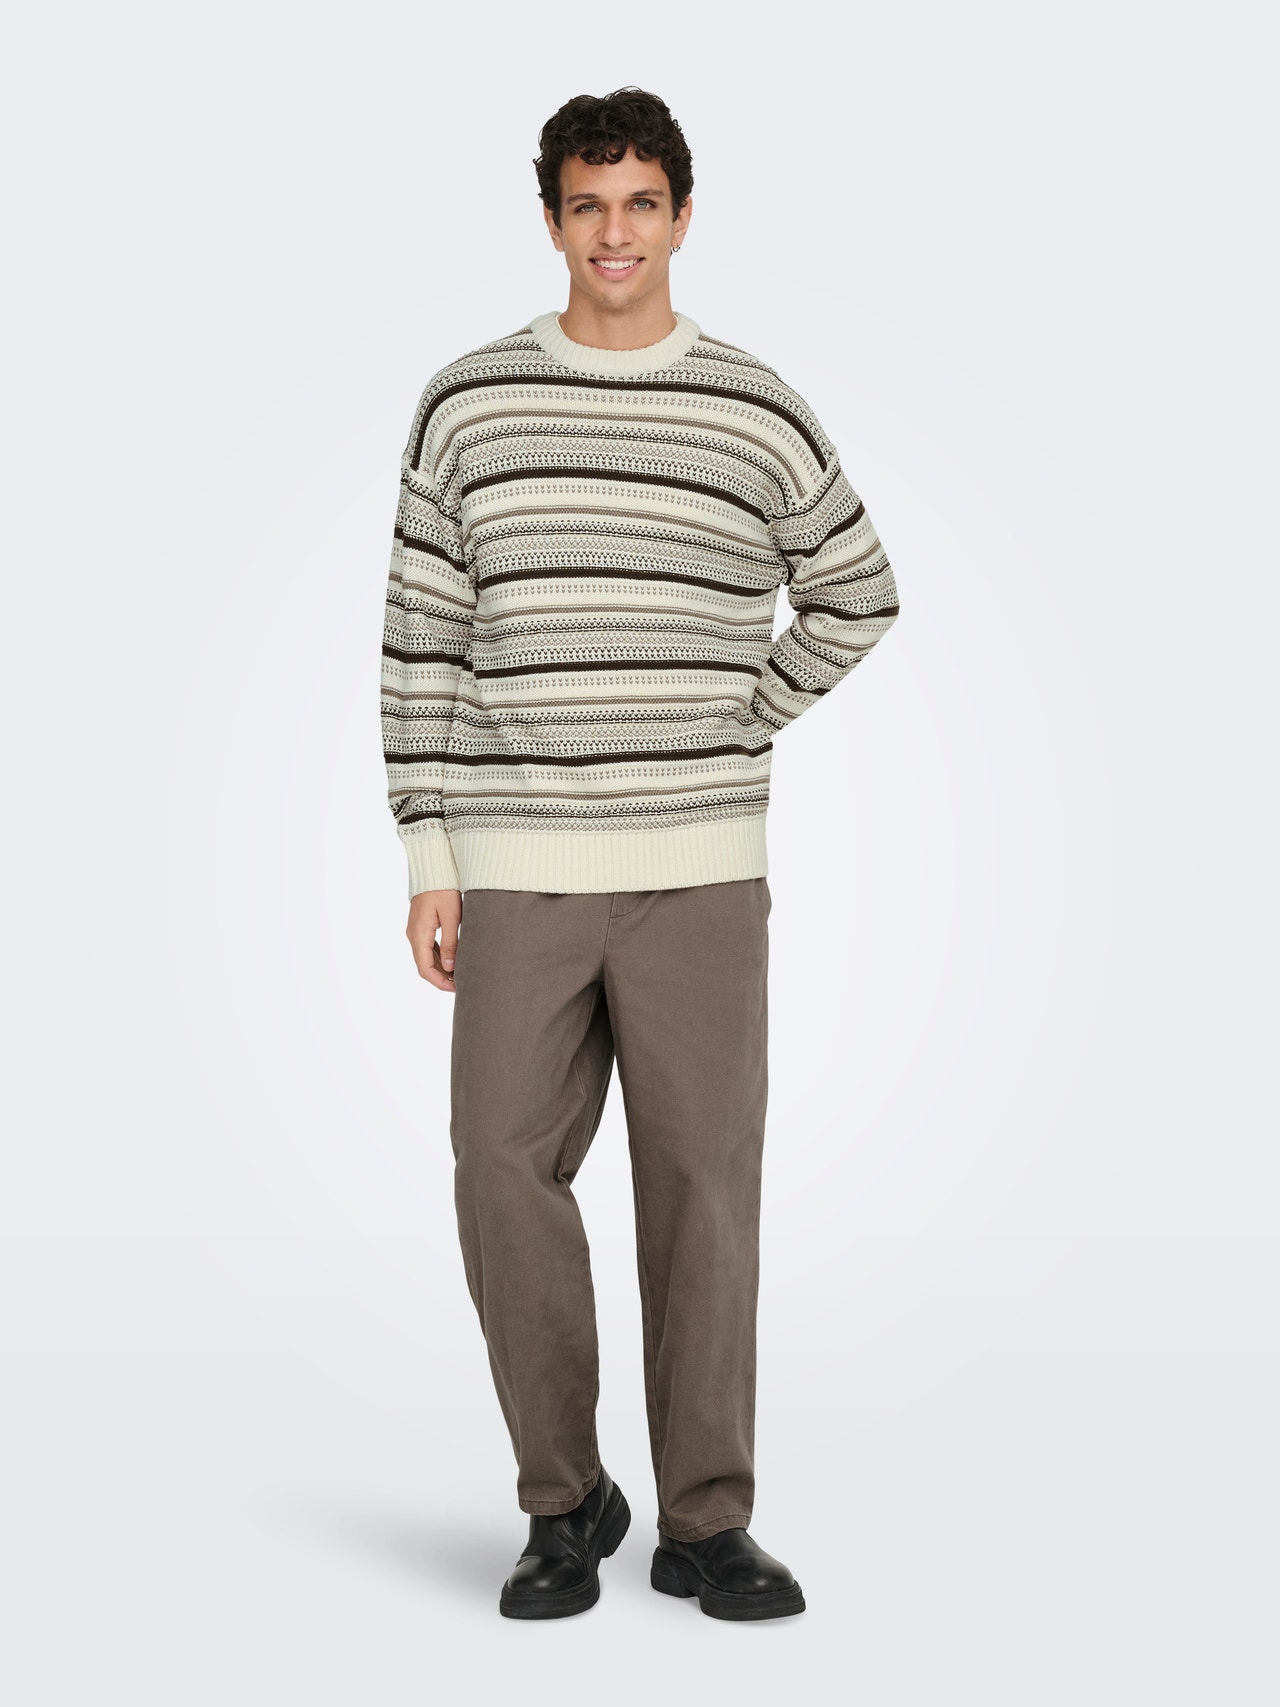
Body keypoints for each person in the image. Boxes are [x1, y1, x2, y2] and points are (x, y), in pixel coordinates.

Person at [380, 86, 901, 1621]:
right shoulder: (468, 404)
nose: (616, 232)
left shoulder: (753, 406)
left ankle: (704, 1521)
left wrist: (748, 711)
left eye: (642, 203)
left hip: (698, 871)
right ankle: (566, 1502)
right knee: (500, 1168)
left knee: (702, 1191)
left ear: (682, 215)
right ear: (552, 219)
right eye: (587, 204)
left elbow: (860, 590)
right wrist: (428, 852)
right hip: (521, 861)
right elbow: (420, 638)